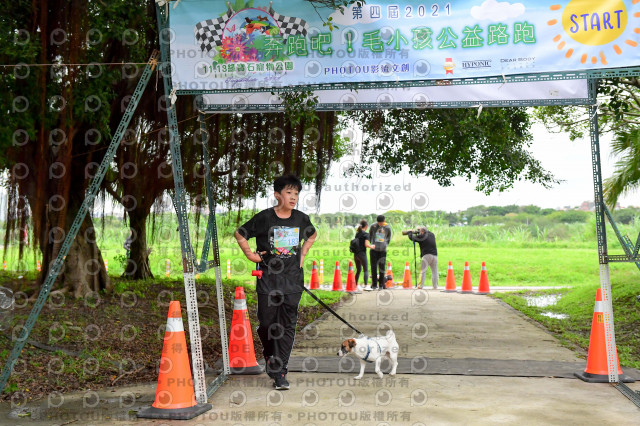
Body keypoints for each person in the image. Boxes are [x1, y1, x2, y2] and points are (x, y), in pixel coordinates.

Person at [234, 175, 317, 391]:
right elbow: (240, 233)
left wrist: (302, 256)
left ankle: (280, 371)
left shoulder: (300, 219)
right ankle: (270, 355)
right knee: (267, 323)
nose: (293, 197)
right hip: (268, 280)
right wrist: (251, 256)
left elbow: (312, 235)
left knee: (288, 325)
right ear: (277, 195)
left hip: (292, 281)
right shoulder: (264, 218)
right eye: (289, 193)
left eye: (296, 193)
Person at [369, 214, 392, 290]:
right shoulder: (373, 226)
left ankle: (381, 284)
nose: (380, 224)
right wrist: (372, 244)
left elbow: (389, 237)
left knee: (382, 267)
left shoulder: (387, 227)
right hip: (373, 250)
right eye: (378, 223)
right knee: (373, 267)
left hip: (382, 250)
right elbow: (370, 235)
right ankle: (374, 284)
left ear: (384, 221)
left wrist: (385, 245)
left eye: (381, 223)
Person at [353, 219, 374, 289]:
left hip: (355, 255)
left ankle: (354, 285)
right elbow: (366, 244)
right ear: (366, 226)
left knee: (358, 270)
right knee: (366, 270)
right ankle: (365, 286)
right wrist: (372, 246)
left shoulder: (357, 233)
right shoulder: (366, 234)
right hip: (362, 255)